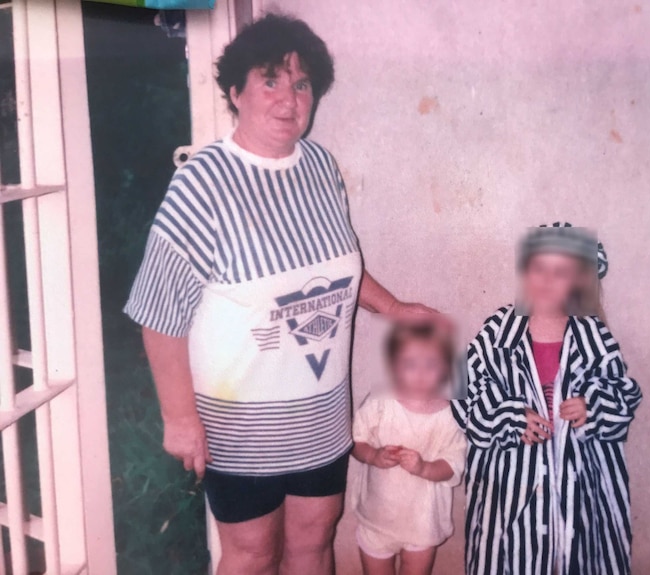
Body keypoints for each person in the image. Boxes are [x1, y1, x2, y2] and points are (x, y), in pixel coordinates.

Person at [124, 14, 434, 575]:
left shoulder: (319, 167)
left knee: (313, 549)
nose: (289, 98)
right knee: (250, 557)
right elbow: (158, 312)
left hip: (320, 417)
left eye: (302, 83)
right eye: (270, 80)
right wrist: (180, 418)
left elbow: (334, 267)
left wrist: (391, 307)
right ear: (235, 91)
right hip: (243, 428)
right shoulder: (204, 183)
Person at [453, 222, 643, 575]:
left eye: (560, 272)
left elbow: (623, 393)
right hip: (510, 485)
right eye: (538, 268)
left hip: (579, 485)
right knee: (510, 558)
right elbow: (461, 386)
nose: (545, 280)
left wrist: (593, 407)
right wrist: (508, 416)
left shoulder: (592, 334)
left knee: (577, 554)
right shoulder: (499, 327)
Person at [350, 322, 466, 575]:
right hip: (377, 518)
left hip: (422, 524)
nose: (421, 373)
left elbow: (452, 465)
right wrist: (373, 455)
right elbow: (356, 441)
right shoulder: (381, 401)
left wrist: (424, 467)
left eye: (431, 364)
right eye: (411, 364)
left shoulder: (450, 415)